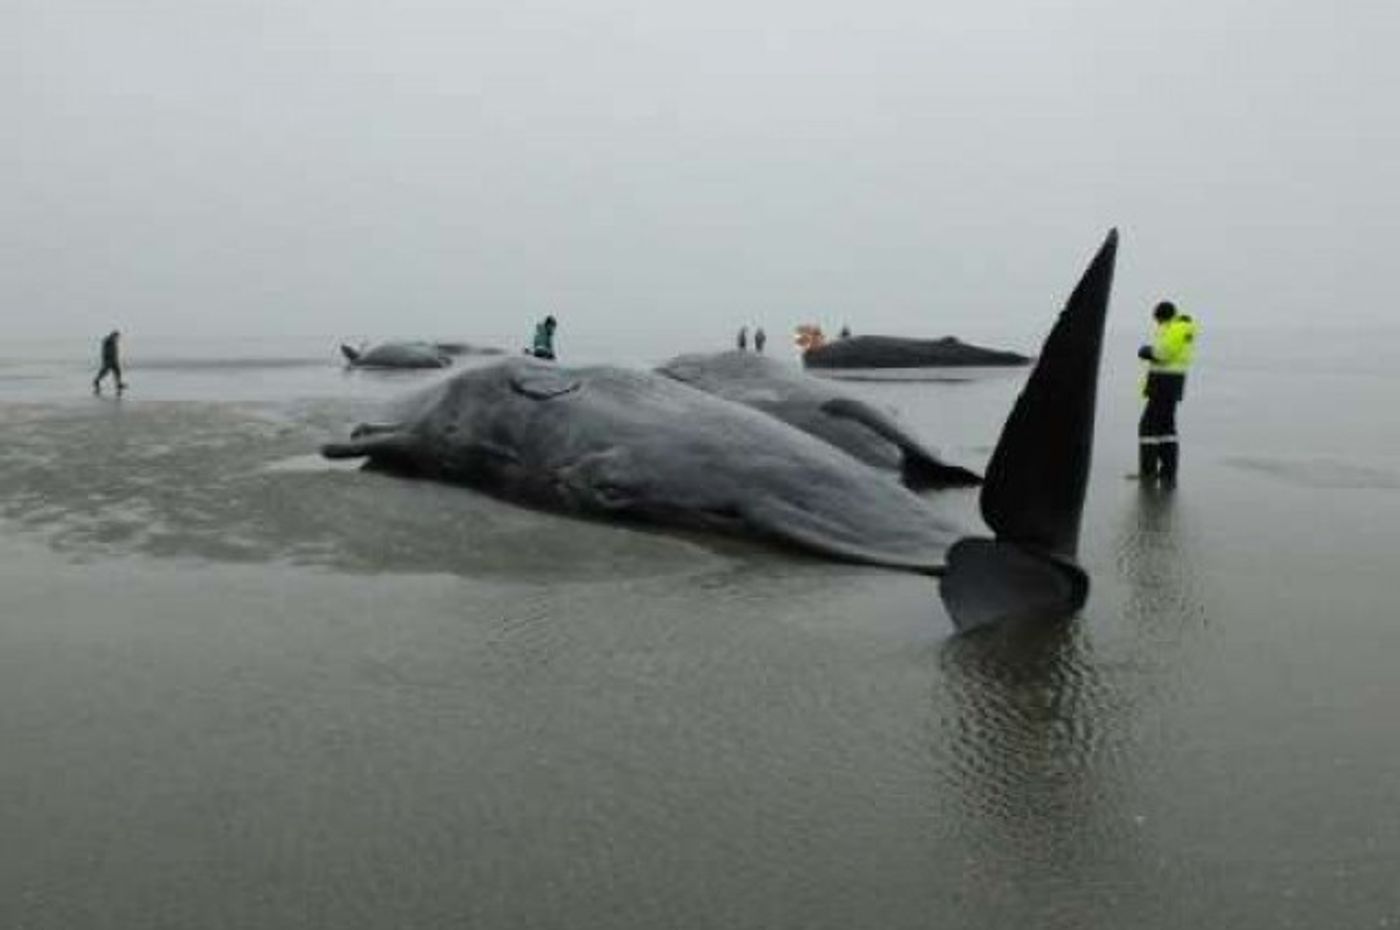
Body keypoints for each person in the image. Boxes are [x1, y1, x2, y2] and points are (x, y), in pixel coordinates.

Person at [1136, 301, 1197, 486]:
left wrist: (1146, 351)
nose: (1157, 324)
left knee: (1147, 427)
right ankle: (1168, 472)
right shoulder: (1183, 328)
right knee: (1166, 427)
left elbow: (1164, 353)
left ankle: (1148, 473)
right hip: (1173, 382)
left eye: (1157, 320)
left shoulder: (1176, 329)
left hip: (1163, 383)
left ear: (1162, 316)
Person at [92, 330, 126, 395]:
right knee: (104, 372)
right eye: (117, 336)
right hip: (109, 360)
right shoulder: (108, 340)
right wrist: (106, 358)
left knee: (117, 371)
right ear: (114, 335)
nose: (118, 338)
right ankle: (96, 381)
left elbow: (113, 350)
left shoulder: (112, 341)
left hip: (113, 359)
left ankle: (119, 384)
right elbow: (105, 350)